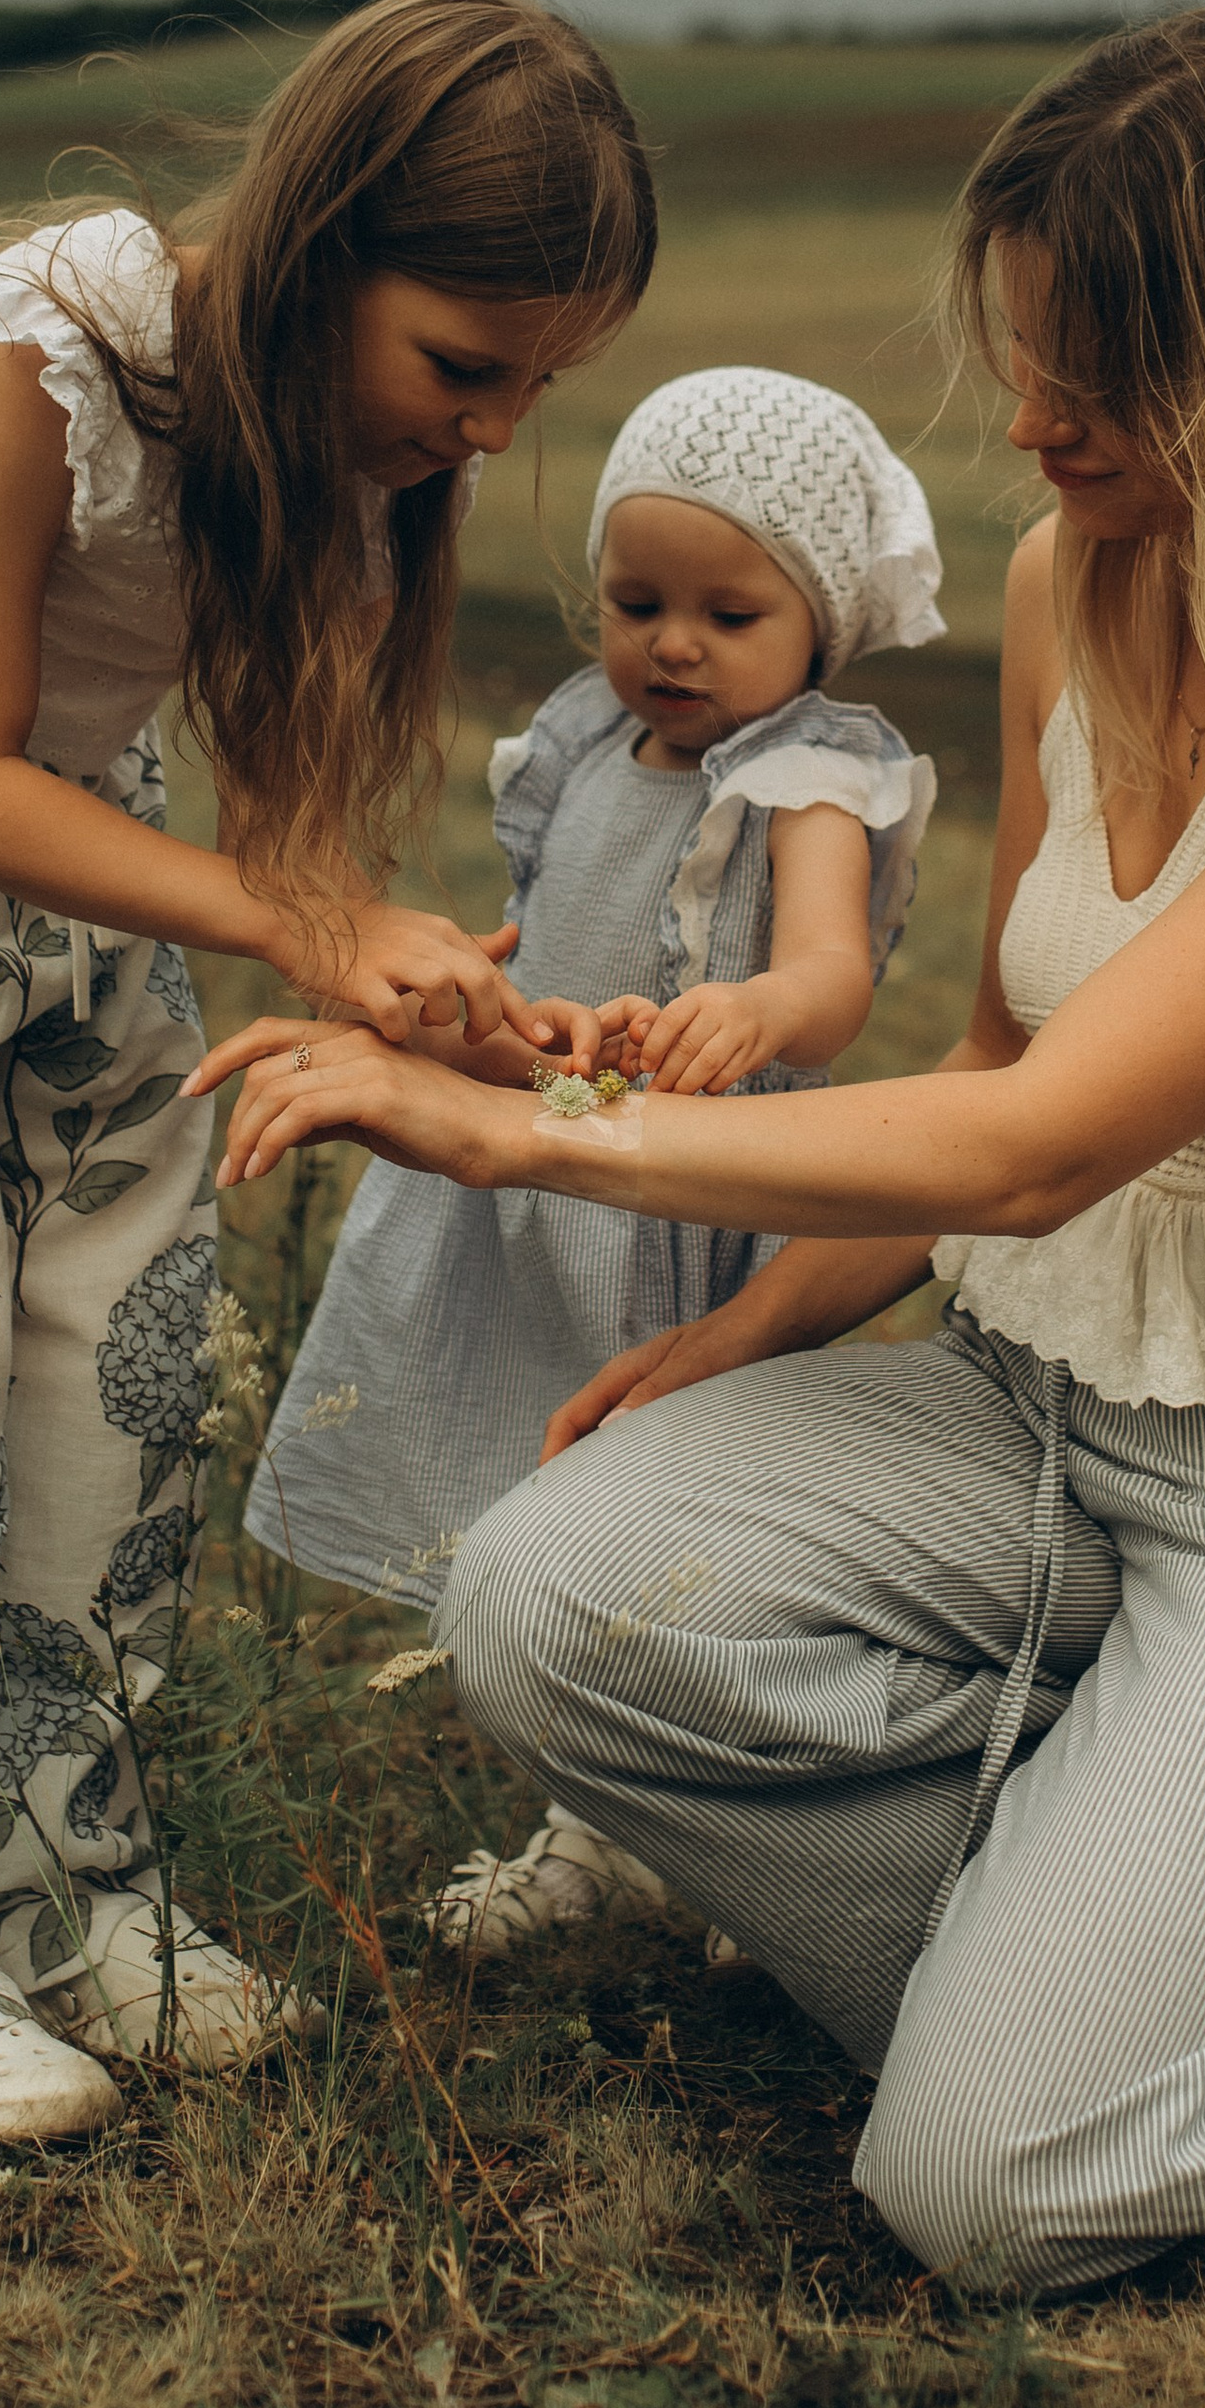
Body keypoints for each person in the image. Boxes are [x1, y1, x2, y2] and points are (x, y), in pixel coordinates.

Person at [198, 4, 1205, 2295]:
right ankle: (1176, 1887)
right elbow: (997, 1043)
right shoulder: (1071, 581)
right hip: (1029, 1412)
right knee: (543, 1600)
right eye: (1021, 355)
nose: (1025, 423)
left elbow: (1028, 1140)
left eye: (1092, 373)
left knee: (983, 2187)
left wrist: (515, 1122)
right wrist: (762, 1343)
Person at [0, 0, 656, 2143]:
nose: (490, 430)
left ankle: (55, 1891)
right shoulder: (41, 363)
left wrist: (404, 976)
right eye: (464, 368)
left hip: (71, 838)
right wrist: (301, 922)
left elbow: (276, 825)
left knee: (117, 1352)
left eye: (536, 387)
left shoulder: (345, 451)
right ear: (314, 250)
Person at [232, 368, 942, 1947]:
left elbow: (834, 977)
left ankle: (656, 1818)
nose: (672, 645)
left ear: (819, 619)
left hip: (706, 1172)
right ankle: (598, 1803)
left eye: (728, 613)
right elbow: (554, 955)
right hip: (561, 1140)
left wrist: (751, 1006)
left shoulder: (814, 769)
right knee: (538, 1444)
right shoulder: (577, 736)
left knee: (662, 1503)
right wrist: (486, 1017)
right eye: (637, 601)